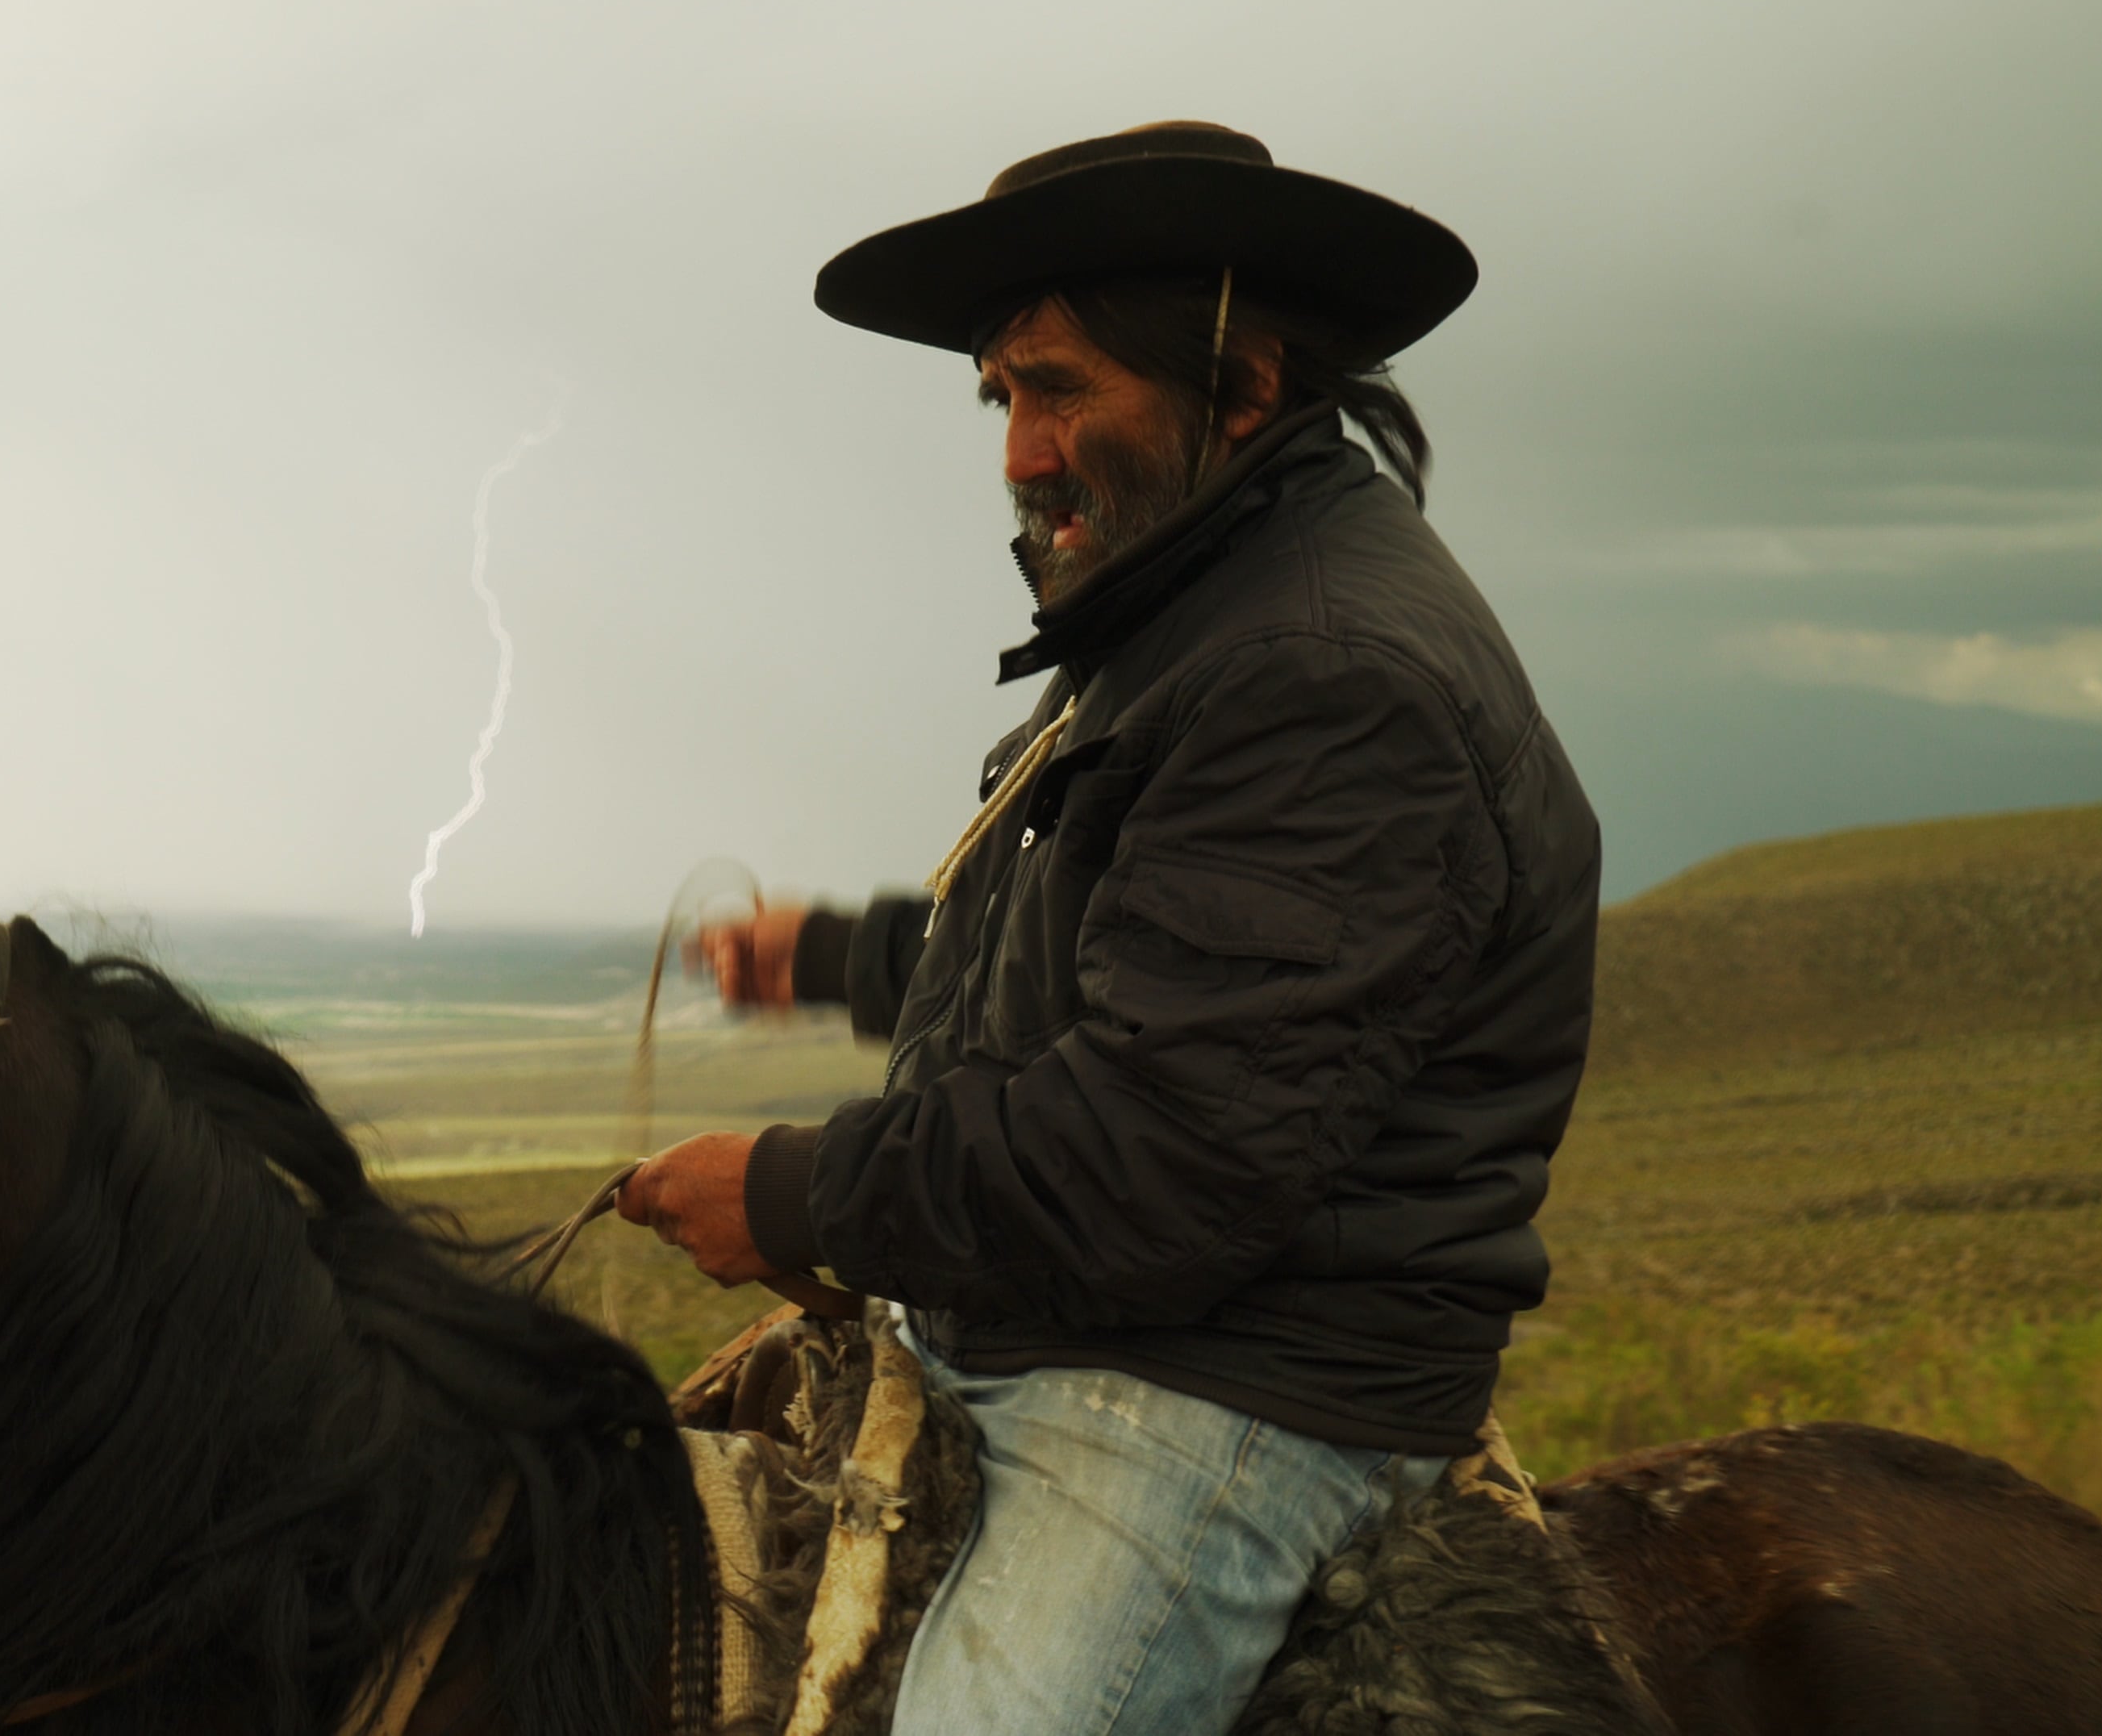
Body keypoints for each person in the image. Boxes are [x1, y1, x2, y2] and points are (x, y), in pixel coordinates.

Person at [616, 122, 1601, 1734]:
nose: (1017, 449)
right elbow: (1094, 963)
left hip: (1229, 1389)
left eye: (1061, 388)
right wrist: (825, 959)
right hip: (1082, 1321)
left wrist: (794, 1192)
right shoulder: (1196, 615)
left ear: (1242, 384)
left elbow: (1163, 1154)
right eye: (1004, 396)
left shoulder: (1328, 672)